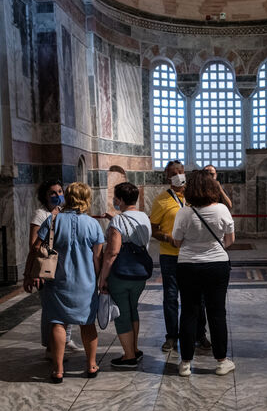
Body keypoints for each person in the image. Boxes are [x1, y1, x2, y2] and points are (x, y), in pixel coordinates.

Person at [23, 182, 104, 383]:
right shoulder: (93, 224)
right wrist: (100, 281)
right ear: (86, 200)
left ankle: (58, 369)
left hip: (58, 281)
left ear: (67, 198)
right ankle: (91, 365)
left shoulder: (53, 221)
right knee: (87, 323)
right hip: (86, 282)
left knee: (58, 323)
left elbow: (36, 248)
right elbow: (97, 258)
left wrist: (28, 273)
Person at [172, 170, 235, 376]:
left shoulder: (183, 212)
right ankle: (221, 362)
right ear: (212, 188)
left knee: (189, 312)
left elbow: (177, 242)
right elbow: (230, 241)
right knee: (217, 313)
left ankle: (185, 364)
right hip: (217, 265)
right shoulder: (222, 210)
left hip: (188, 265)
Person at [150, 160, 209, 352]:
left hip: (193, 254)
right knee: (171, 297)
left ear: (185, 173)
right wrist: (167, 238)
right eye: (173, 172)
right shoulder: (161, 200)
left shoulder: (195, 197)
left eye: (180, 171)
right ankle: (171, 336)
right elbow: (153, 229)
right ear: (168, 176)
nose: (178, 175)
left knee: (197, 297)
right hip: (170, 256)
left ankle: (200, 334)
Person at [24, 179, 82, 358]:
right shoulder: (40, 215)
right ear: (45, 195)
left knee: (66, 304)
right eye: (53, 193)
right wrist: (31, 272)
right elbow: (34, 245)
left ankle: (65, 339)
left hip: (63, 267)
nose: (58, 196)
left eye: (60, 192)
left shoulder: (64, 212)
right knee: (50, 309)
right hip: (47, 267)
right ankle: (50, 346)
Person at [99, 182, 152, 369]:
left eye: (115, 197)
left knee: (122, 314)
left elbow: (112, 252)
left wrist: (103, 277)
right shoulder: (144, 216)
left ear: (119, 199)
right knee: (132, 309)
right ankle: (135, 349)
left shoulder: (118, 221)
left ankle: (128, 356)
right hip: (140, 273)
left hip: (121, 274)